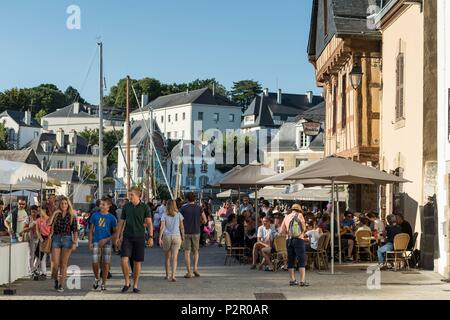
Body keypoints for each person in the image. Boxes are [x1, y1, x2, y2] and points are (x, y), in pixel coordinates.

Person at [115, 187, 153, 293]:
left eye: (131, 195)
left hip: (139, 237)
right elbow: (121, 222)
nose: (129, 196)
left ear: (138, 195)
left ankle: (135, 285)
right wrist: (118, 237)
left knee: (137, 262)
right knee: (124, 260)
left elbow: (149, 223)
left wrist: (150, 237)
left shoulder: (145, 207)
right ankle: (127, 282)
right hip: (127, 236)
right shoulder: (126, 207)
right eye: (129, 194)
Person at [49, 196, 78, 293]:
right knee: (55, 264)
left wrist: (75, 242)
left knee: (64, 264)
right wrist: (54, 214)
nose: (64, 205)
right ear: (59, 205)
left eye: (65, 203)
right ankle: (56, 280)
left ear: (68, 204)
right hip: (56, 238)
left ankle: (61, 285)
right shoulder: (56, 214)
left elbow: (75, 231)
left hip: (67, 239)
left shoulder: (72, 215)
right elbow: (48, 223)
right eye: (62, 203)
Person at [89, 197, 118, 291]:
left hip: (107, 243)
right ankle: (96, 278)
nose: (101, 206)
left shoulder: (112, 218)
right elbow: (90, 230)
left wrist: (107, 240)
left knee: (106, 264)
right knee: (94, 262)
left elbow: (115, 233)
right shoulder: (95, 215)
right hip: (96, 241)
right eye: (100, 204)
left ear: (108, 206)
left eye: (103, 204)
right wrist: (90, 242)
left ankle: (104, 283)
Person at [280, 204, 308, 287]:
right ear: (299, 210)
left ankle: (292, 280)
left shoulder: (286, 217)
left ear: (292, 209)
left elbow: (282, 231)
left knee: (291, 260)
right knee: (301, 259)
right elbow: (304, 228)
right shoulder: (300, 215)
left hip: (289, 240)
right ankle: (302, 281)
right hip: (299, 240)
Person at [180, 192, 207, 279]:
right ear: (194, 199)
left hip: (186, 232)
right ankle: (195, 268)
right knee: (196, 251)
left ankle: (188, 272)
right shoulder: (199, 208)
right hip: (196, 231)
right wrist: (200, 222)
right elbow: (205, 220)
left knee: (187, 252)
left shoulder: (183, 209)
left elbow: (179, 220)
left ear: (187, 199)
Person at [159, 199, 185, 282]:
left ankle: (167, 275)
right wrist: (183, 236)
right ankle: (173, 276)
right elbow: (182, 227)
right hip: (176, 236)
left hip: (167, 236)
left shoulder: (164, 214)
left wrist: (159, 238)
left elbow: (162, 227)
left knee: (167, 258)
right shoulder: (179, 214)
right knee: (175, 258)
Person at [22, 205, 39, 276]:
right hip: (31, 238)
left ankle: (34, 268)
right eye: (32, 212)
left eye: (35, 212)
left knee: (39, 255)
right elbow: (23, 229)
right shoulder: (28, 218)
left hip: (39, 238)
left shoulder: (40, 218)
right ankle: (31, 270)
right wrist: (30, 227)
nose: (34, 213)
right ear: (30, 211)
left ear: (37, 211)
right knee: (31, 255)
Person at [35, 207, 51, 279]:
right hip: (42, 238)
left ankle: (54, 272)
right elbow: (37, 230)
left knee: (50, 256)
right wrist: (40, 238)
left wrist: (50, 236)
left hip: (49, 238)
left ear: (44, 210)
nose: (39, 212)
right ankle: (43, 272)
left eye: (40, 210)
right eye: (38, 211)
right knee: (41, 256)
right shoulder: (38, 220)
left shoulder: (50, 219)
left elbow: (52, 229)